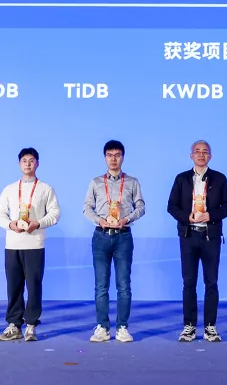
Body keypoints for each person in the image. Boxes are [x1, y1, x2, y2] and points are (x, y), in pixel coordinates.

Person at [166, 139, 227, 343]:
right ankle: (189, 326)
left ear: (210, 156)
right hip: (188, 236)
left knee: (211, 282)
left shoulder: (219, 179)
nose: (201, 154)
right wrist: (187, 217)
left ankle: (210, 326)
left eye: (205, 152)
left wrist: (211, 215)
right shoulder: (181, 179)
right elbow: (171, 206)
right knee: (189, 282)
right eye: (197, 151)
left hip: (210, 236)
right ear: (191, 156)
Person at [0, 147, 62, 342]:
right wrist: (10, 224)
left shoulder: (46, 189)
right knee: (13, 286)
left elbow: (55, 213)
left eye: (31, 160)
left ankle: (31, 325)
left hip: (34, 244)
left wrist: (38, 223)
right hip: (13, 244)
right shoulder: (9, 189)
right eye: (24, 160)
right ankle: (14, 325)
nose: (28, 164)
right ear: (19, 164)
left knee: (34, 286)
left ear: (37, 164)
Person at [83, 140, 145, 343]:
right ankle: (102, 327)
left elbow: (141, 207)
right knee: (101, 285)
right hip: (101, 235)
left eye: (117, 155)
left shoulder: (132, 182)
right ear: (105, 158)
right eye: (109, 155)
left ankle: (122, 327)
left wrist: (126, 219)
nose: (113, 159)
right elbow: (87, 208)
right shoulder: (96, 182)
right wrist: (99, 220)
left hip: (123, 236)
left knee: (123, 285)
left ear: (123, 157)